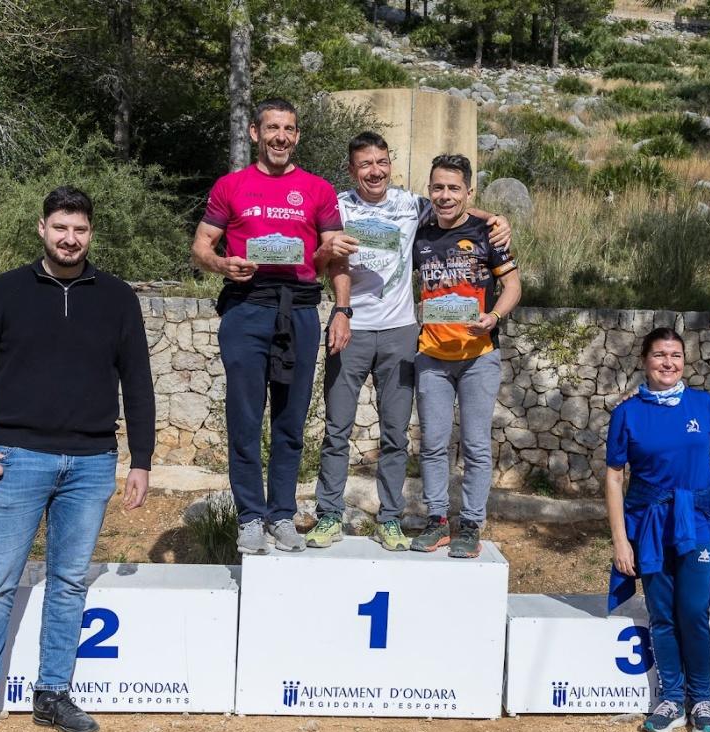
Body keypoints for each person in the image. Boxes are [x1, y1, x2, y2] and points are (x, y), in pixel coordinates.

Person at [0, 186, 154, 732]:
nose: (69, 238)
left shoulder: (117, 297)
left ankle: (53, 693)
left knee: (68, 583)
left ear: (91, 233)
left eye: (79, 229)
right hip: (16, 460)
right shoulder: (3, 292)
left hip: (91, 463)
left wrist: (141, 460)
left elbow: (138, 382)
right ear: (42, 228)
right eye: (61, 227)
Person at [308, 132, 510, 551]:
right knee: (337, 429)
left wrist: (496, 219)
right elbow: (314, 264)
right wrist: (327, 250)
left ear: (390, 164)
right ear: (351, 169)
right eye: (365, 164)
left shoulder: (410, 205)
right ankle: (328, 515)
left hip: (401, 332)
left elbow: (454, 206)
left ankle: (390, 519)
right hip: (350, 328)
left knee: (395, 435)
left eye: (381, 162)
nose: (375, 171)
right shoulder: (337, 207)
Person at [190, 98, 348, 556]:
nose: (281, 136)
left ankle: (281, 514)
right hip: (246, 307)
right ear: (255, 133)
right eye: (273, 128)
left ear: (297, 136)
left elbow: (329, 257)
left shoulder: (318, 189)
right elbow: (201, 246)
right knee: (244, 418)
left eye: (289, 129)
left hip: (299, 310)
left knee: (291, 419)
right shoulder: (231, 185)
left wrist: (341, 305)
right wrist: (223, 264)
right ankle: (249, 517)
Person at [605, 327, 710, 732]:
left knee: (693, 611)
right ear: (645, 360)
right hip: (650, 527)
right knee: (662, 614)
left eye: (675, 355)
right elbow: (613, 477)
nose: (668, 363)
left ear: (685, 361)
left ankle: (702, 699)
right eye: (659, 355)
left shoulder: (703, 404)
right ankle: (672, 699)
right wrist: (621, 540)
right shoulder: (627, 413)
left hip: (698, 523)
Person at [409, 153, 521, 558]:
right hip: (432, 355)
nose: (445, 195)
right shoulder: (419, 233)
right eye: (438, 187)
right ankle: (437, 521)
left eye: (454, 188)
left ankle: (471, 523)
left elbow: (513, 286)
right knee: (433, 444)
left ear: (468, 192)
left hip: (478, 356)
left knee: (475, 445)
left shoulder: (487, 233)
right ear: (429, 190)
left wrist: (494, 317)